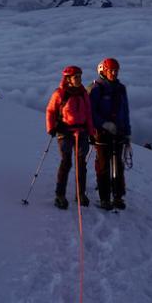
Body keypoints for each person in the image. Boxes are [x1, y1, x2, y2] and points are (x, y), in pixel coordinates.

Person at [45, 65, 95, 209]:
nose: (79, 79)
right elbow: (50, 111)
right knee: (66, 163)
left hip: (82, 132)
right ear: (68, 79)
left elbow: (88, 115)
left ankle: (80, 194)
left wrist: (91, 133)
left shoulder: (83, 93)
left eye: (80, 76)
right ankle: (60, 195)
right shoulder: (60, 93)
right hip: (65, 132)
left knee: (81, 165)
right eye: (76, 77)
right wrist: (51, 128)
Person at [89, 57, 130, 210]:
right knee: (104, 166)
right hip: (101, 133)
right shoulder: (96, 89)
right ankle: (105, 198)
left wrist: (127, 133)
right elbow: (91, 112)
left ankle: (118, 197)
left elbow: (124, 112)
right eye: (111, 70)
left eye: (116, 70)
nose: (114, 73)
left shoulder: (120, 89)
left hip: (118, 132)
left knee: (118, 165)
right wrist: (103, 124)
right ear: (103, 71)